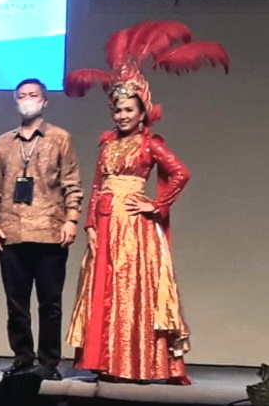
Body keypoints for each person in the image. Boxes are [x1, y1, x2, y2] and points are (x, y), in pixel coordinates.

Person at [63, 20, 229, 384]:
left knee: (131, 292)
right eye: (118, 110)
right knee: (104, 291)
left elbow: (181, 173)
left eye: (128, 110)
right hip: (105, 225)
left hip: (134, 230)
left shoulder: (150, 144)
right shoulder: (107, 144)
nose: (122, 115)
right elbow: (97, 185)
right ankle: (106, 362)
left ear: (142, 112)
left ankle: (135, 364)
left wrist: (156, 204)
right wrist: (90, 225)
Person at [0, 78, 83, 381]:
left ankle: (48, 362)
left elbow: (71, 182)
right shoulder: (3, 142)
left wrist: (71, 219)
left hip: (50, 230)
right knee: (16, 303)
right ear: (16, 101)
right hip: (11, 230)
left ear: (44, 101)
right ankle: (22, 358)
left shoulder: (60, 138)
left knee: (50, 303)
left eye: (34, 95)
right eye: (23, 95)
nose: (28, 100)